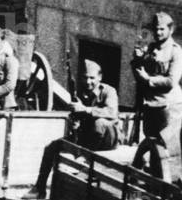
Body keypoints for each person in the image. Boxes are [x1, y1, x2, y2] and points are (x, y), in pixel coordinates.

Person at [131, 11, 182, 181]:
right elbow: (138, 73)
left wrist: (148, 80)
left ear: (170, 30)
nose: (158, 32)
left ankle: (170, 186)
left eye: (161, 29)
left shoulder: (176, 52)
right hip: (151, 105)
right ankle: (155, 186)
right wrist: (137, 60)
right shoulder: (150, 48)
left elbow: (171, 81)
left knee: (168, 150)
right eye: (155, 29)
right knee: (153, 148)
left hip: (169, 108)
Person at [71, 59, 119, 150]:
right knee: (55, 145)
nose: (88, 82)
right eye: (85, 77)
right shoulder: (81, 93)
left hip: (109, 138)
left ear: (100, 77)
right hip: (89, 136)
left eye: (92, 78)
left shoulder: (109, 91)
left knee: (99, 123)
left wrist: (86, 109)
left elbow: (111, 112)